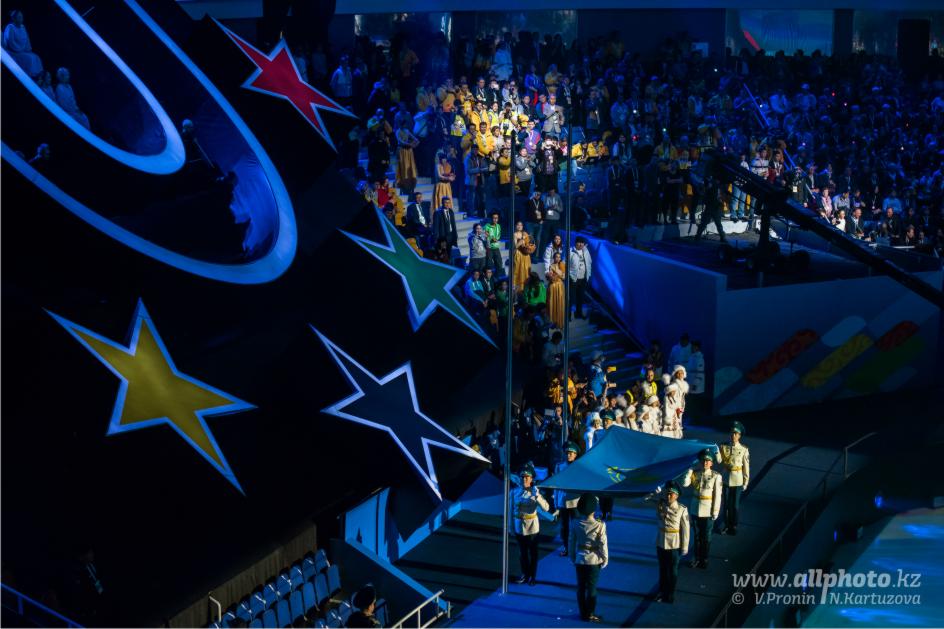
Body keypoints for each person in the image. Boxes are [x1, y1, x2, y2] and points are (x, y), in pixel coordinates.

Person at [569, 493, 608, 623]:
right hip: (594, 559)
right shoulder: (600, 525)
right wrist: (605, 559)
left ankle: (583, 613)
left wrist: (572, 557)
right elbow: (603, 544)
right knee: (591, 588)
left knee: (581, 587)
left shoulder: (575, 523)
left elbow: (571, 542)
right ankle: (590, 614)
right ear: (593, 509)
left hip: (580, 558)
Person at [681, 449, 722, 569]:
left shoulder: (716, 476)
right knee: (697, 536)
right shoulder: (696, 473)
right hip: (695, 509)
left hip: (708, 510)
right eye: (703, 460)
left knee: (706, 537)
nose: (705, 463)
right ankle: (696, 558)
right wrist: (689, 470)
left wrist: (715, 511)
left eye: (708, 461)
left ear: (711, 463)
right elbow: (685, 484)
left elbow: (717, 496)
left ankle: (704, 559)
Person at [510, 467, 552, 586]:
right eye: (522, 477)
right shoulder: (514, 492)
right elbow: (510, 511)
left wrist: (537, 495)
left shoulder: (535, 492)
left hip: (532, 527)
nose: (524, 479)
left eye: (527, 477)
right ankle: (525, 574)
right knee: (522, 553)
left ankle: (532, 576)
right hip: (519, 526)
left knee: (533, 553)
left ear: (531, 479)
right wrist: (510, 527)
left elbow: (546, 508)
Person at [653, 480, 690, 603]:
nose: (669, 496)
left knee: (673, 571)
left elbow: (685, 529)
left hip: (674, 544)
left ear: (677, 496)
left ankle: (670, 593)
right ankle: (662, 592)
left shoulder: (682, 509)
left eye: (671, 494)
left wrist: (685, 547)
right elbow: (645, 499)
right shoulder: (661, 503)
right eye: (667, 493)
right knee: (662, 569)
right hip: (661, 542)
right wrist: (655, 493)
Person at [716, 421, 750, 535]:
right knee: (726, 505)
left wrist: (745, 482)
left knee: (734, 505)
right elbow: (719, 460)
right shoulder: (724, 446)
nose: (733, 435)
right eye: (732, 433)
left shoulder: (744, 449)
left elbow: (746, 467)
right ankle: (726, 525)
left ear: (739, 436)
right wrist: (716, 451)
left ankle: (733, 525)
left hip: (737, 479)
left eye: (736, 433)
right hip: (726, 479)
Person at [555, 443, 581, 556]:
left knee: (577, 526)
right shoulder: (559, 466)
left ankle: (578, 547)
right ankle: (566, 547)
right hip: (563, 502)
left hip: (575, 501)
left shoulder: (579, 466)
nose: (568, 455)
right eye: (567, 453)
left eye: (571, 453)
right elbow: (556, 485)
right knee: (564, 528)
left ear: (575, 455)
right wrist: (556, 503)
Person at [3, 10, 43, 78]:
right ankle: (31, 77)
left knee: (36, 57)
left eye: (21, 17)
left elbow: (27, 40)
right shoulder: (10, 27)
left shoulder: (22, 27)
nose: (21, 18)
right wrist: (20, 49)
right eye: (19, 17)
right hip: (13, 52)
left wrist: (28, 49)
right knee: (29, 58)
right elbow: (11, 43)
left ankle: (40, 77)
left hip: (22, 51)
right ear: (14, 18)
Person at [568, 236, 592, 319]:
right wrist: (569, 275)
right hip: (573, 279)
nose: (581, 244)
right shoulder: (570, 251)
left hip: (583, 278)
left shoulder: (586, 251)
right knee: (571, 298)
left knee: (580, 297)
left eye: (582, 243)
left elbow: (589, 263)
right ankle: (568, 315)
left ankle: (578, 313)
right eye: (579, 242)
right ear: (575, 243)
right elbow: (564, 263)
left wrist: (588, 275)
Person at [395, 124, 419, 194]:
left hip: (408, 151)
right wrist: (409, 144)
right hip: (402, 150)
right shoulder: (398, 131)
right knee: (403, 167)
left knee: (410, 167)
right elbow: (400, 141)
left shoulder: (406, 131)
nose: (403, 126)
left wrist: (414, 143)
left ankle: (410, 185)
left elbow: (415, 139)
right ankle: (402, 184)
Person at [546, 251, 566, 330]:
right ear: (553, 258)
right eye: (556, 257)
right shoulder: (551, 266)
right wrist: (552, 276)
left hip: (560, 286)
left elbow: (563, 277)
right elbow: (551, 276)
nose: (558, 258)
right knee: (552, 303)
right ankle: (553, 321)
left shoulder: (562, 265)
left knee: (559, 303)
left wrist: (557, 273)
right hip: (553, 286)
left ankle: (559, 322)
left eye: (559, 257)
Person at [512, 221, 534, 291]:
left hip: (526, 255)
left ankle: (526, 286)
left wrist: (529, 246)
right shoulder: (514, 235)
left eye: (521, 225)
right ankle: (516, 288)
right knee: (517, 270)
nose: (519, 226)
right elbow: (515, 246)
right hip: (518, 254)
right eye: (518, 225)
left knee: (526, 270)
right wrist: (522, 240)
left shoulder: (525, 234)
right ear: (516, 226)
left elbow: (529, 244)